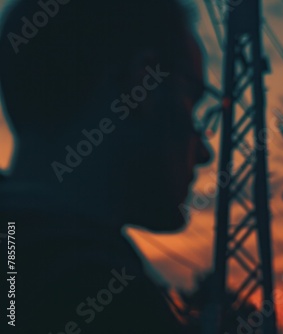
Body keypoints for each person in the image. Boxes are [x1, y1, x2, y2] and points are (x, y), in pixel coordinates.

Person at [0, 0, 211, 332]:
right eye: (192, 100)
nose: (204, 152)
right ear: (144, 83)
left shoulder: (21, 256)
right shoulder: (111, 303)